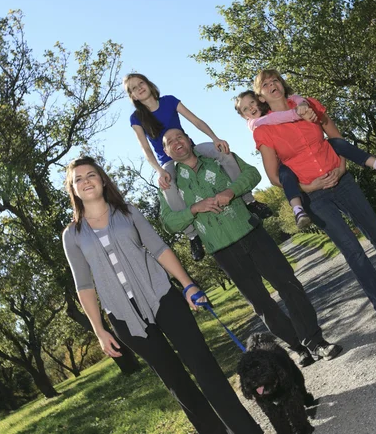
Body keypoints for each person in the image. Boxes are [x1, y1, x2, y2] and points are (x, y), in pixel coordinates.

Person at [62, 156, 264, 434]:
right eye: (79, 179)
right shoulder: (72, 235)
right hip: (124, 317)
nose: (86, 181)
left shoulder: (128, 212)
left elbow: (158, 249)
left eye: (91, 175)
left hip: (162, 296)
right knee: (177, 382)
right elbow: (84, 285)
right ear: (72, 189)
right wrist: (99, 330)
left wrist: (188, 284)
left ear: (102, 179)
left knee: (204, 367)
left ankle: (247, 430)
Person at [251, 69, 376, 324]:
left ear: (282, 84)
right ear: (260, 96)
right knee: (353, 250)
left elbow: (335, 137)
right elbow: (274, 175)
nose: (273, 85)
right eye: (266, 84)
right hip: (315, 197)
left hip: (342, 181)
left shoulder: (308, 104)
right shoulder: (264, 130)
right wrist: (309, 188)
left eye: (275, 81)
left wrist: (341, 167)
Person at [159, 128, 342, 366]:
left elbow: (252, 174)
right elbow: (168, 223)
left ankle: (316, 342)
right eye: (169, 142)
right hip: (223, 249)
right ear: (166, 151)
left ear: (189, 140)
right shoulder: (169, 184)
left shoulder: (218, 156)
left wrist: (231, 191)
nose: (176, 143)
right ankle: (298, 346)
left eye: (179, 137)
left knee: (289, 285)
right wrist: (194, 209)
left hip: (252, 232)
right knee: (261, 303)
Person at [124, 73, 273, 262]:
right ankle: (192, 236)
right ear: (133, 96)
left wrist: (215, 138)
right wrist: (159, 171)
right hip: (167, 160)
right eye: (133, 89)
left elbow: (196, 121)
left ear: (148, 84)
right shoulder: (136, 118)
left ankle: (250, 201)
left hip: (191, 147)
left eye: (140, 83)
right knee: (168, 187)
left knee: (223, 153)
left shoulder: (169, 101)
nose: (139, 88)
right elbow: (145, 149)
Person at [235, 90, 376, 229]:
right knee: (286, 176)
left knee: (337, 143)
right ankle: (298, 210)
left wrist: (301, 102)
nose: (250, 108)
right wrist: (299, 112)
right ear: (244, 117)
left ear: (259, 100)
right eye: (245, 109)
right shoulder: (258, 124)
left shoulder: (278, 108)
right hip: (289, 167)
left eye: (251, 102)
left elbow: (294, 98)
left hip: (319, 160)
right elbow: (279, 118)